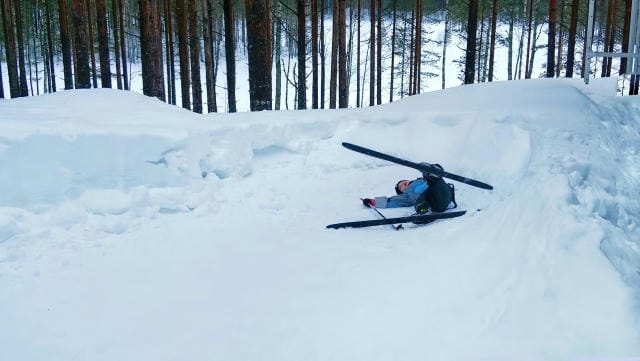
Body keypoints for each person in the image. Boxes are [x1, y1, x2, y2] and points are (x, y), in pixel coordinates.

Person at [361, 164, 456, 214]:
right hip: (434, 203)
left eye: (403, 182)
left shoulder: (421, 180)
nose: (403, 184)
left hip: (442, 193)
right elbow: (391, 201)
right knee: (422, 193)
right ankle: (423, 207)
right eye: (400, 186)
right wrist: (373, 201)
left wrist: (428, 178)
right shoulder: (405, 195)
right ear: (401, 192)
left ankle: (433, 171)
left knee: (434, 181)